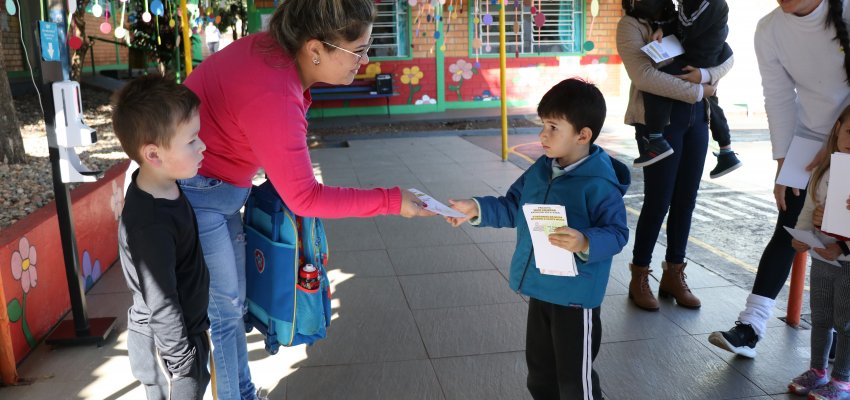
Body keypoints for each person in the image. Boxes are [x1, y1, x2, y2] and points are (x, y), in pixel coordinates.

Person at [180, 0, 433, 398]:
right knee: (225, 311)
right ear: (315, 48)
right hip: (199, 192)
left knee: (233, 305)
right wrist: (391, 200)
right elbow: (304, 197)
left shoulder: (274, 54)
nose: (365, 61)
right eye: (359, 51)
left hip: (218, 185)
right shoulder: (274, 89)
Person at [445, 78, 629, 400]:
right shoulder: (541, 170)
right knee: (541, 376)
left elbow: (617, 233)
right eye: (542, 125)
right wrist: (476, 209)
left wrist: (584, 242)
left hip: (575, 298)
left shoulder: (600, 183)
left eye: (553, 127)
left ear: (583, 135)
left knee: (575, 382)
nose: (543, 135)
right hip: (541, 288)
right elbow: (513, 206)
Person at [708, 0, 850, 359]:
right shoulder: (769, 29)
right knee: (790, 230)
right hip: (807, 141)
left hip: (848, 139)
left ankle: (840, 334)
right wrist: (784, 165)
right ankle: (751, 326)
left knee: (843, 238)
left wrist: (836, 143)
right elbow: (778, 97)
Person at [617, 0, 733, 311]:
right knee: (658, 201)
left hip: (697, 119)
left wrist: (705, 74)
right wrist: (699, 89)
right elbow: (644, 76)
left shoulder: (685, 15)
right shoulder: (630, 25)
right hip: (658, 123)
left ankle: (674, 274)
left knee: (686, 200)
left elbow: (726, 55)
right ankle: (640, 274)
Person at [112, 75, 210, 400]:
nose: (202, 145)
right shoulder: (150, 224)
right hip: (171, 348)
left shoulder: (162, 182)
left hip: (185, 335)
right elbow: (161, 301)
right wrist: (182, 365)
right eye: (192, 140)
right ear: (153, 155)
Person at [635, 0, 743, 179]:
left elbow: (688, 26)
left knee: (656, 80)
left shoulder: (713, 4)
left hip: (698, 59)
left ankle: (656, 138)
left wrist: (669, 26)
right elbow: (682, 23)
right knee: (711, 99)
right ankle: (726, 151)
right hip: (703, 57)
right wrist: (664, 29)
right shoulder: (692, 4)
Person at [787, 104, 850, 399]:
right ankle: (818, 370)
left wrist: (842, 246)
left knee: (846, 322)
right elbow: (808, 207)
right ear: (837, 130)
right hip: (821, 257)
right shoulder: (824, 170)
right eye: (849, 131)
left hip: (846, 262)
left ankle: (842, 380)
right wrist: (801, 236)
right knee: (821, 316)